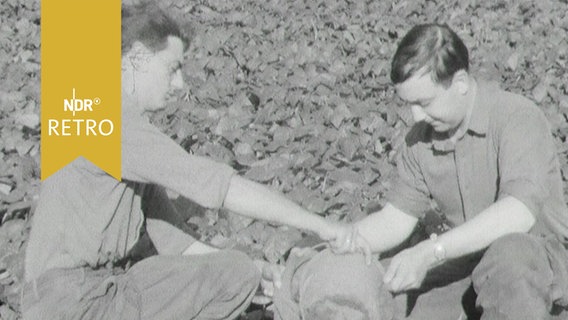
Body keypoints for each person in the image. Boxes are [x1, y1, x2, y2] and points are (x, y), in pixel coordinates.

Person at [21, 2, 349, 319]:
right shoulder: (109, 120)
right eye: (172, 68)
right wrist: (320, 225)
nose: (180, 85)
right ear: (135, 58)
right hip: (77, 302)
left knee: (234, 269)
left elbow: (179, 246)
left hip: (76, 297)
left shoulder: (106, 127)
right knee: (234, 271)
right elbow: (218, 188)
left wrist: (256, 271)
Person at [329, 23, 568, 319]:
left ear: (461, 83)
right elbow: (395, 219)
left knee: (509, 257)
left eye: (425, 102)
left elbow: (518, 213)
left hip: (540, 262)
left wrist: (430, 252)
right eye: (409, 104)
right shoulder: (420, 140)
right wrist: (337, 241)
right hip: (468, 263)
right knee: (381, 285)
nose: (416, 116)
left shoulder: (517, 117)